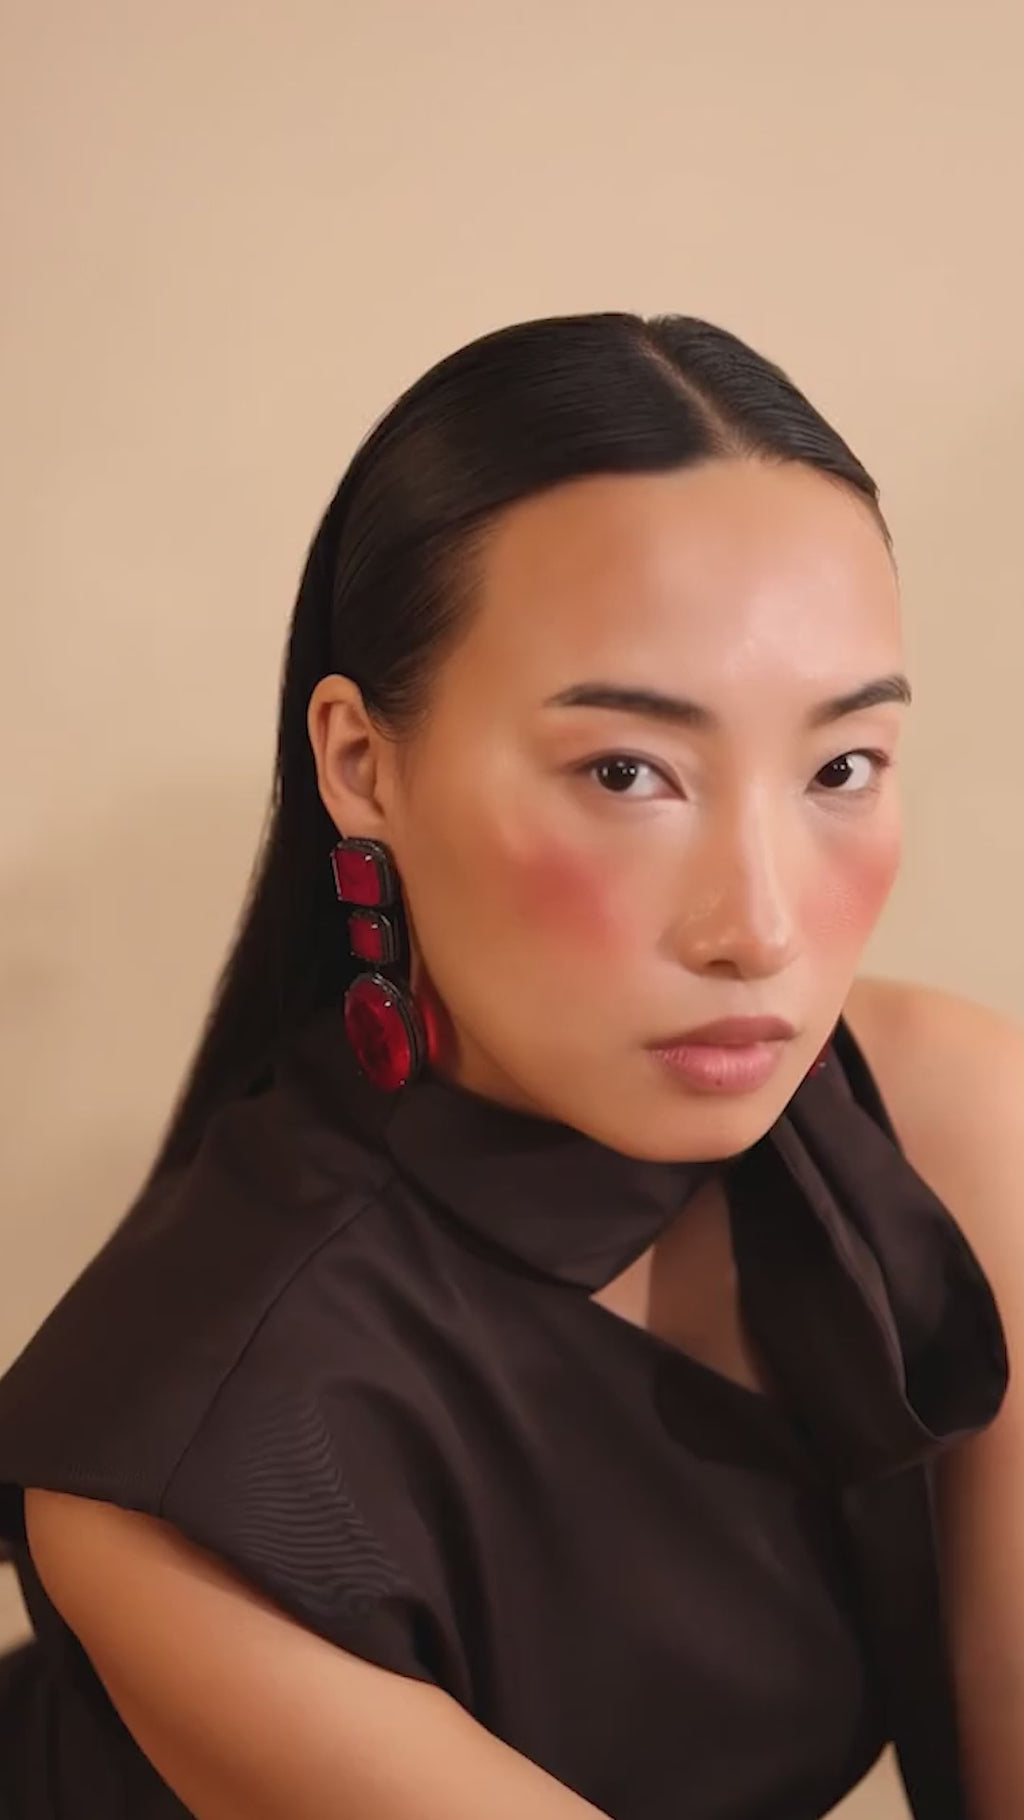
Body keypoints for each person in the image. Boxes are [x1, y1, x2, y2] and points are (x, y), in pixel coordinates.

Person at [0, 312, 1021, 1820]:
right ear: (362, 765)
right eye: (627, 772)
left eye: (839, 768)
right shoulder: (185, 1460)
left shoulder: (954, 1121)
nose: (759, 928)